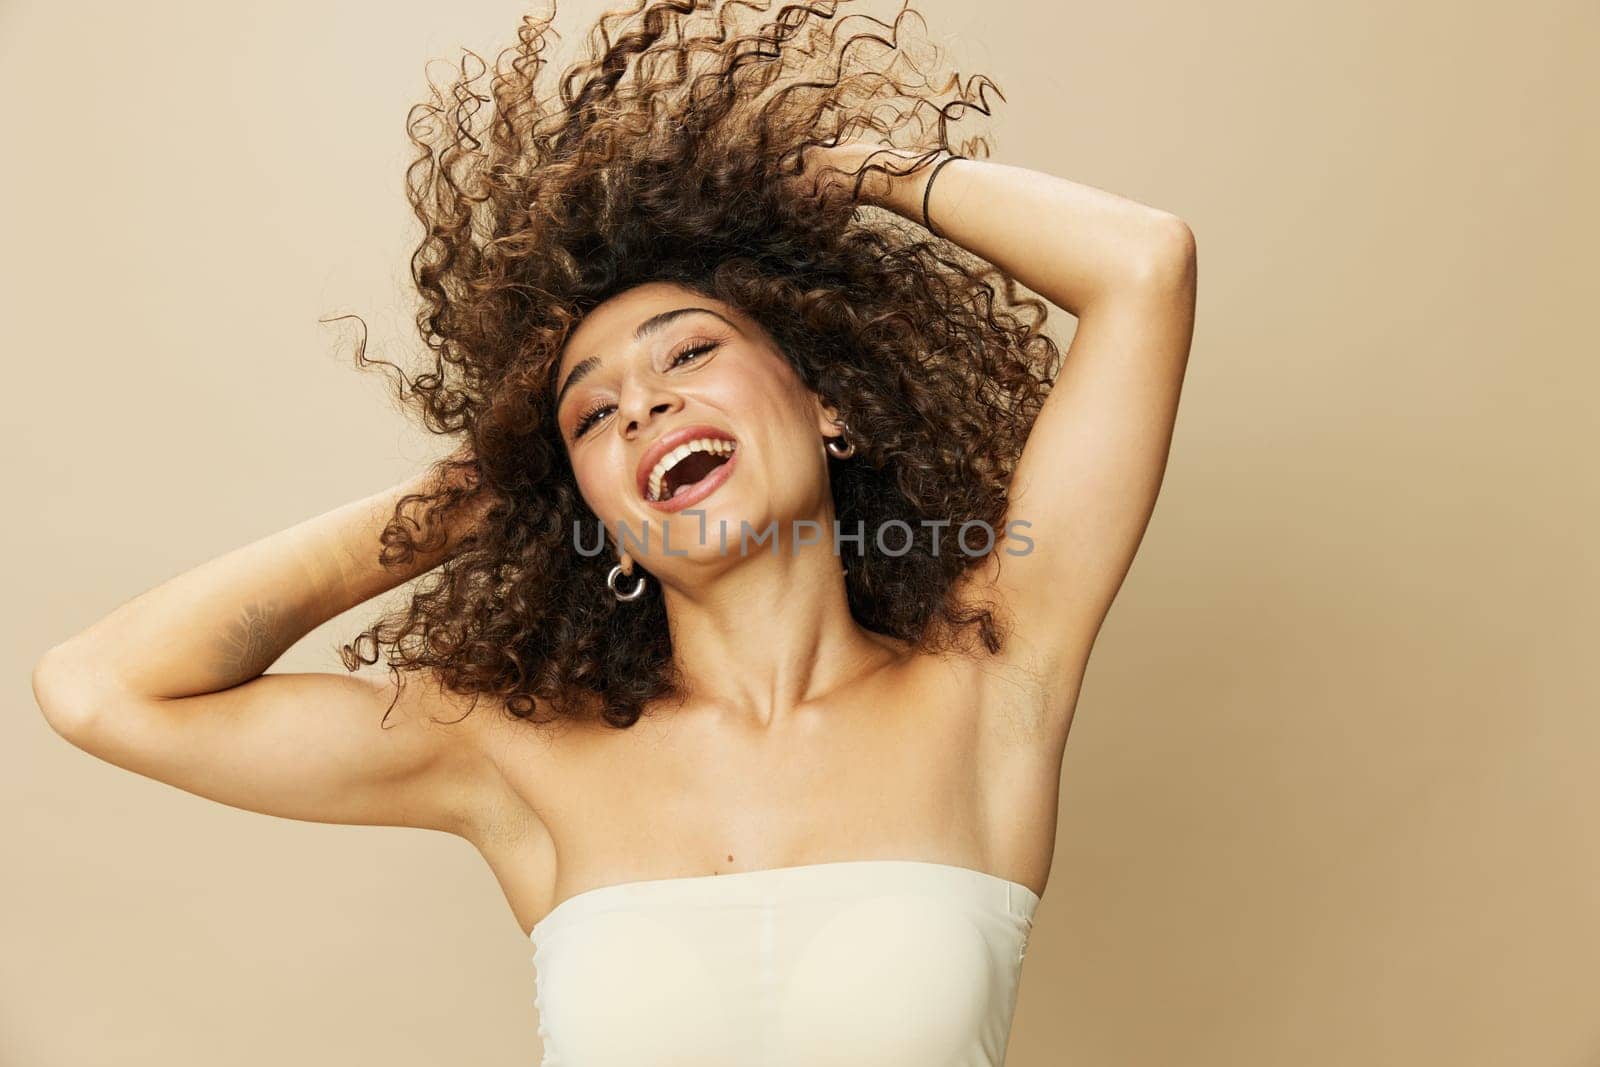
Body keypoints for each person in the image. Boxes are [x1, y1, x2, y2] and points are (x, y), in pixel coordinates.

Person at [31, 1, 1197, 1063]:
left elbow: (1141, 266)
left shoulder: (992, 680)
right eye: (592, 412)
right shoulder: (513, 752)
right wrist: (461, 501)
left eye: (690, 352)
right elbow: (101, 687)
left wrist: (833, 175)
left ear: (826, 404)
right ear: (602, 522)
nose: (642, 402)